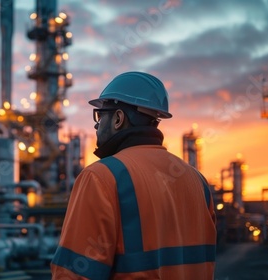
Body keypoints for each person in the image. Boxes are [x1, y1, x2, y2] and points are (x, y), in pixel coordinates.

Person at [51, 72, 217, 279]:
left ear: (118, 118)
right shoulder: (196, 181)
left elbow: (75, 273)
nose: (96, 124)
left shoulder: (102, 177)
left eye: (100, 115)